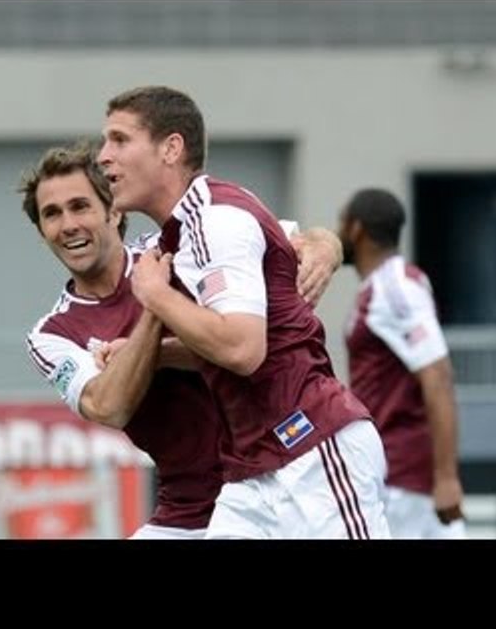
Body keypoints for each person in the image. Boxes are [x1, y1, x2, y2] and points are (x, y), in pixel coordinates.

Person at [96, 85, 390, 539]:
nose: (103, 156)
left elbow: (243, 348)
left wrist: (156, 297)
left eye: (119, 140)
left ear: (171, 148)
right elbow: (227, 339)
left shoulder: (214, 218)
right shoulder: (181, 232)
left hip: (310, 447)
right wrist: (155, 354)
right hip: (251, 470)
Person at [21, 141, 343, 538]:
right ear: (42, 233)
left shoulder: (173, 245)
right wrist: (157, 304)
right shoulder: (51, 333)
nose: (67, 224)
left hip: (275, 477)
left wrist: (326, 245)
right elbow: (109, 405)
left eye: (80, 206)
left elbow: (291, 238)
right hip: (188, 509)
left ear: (114, 210)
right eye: (51, 215)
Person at [337, 188, 464, 539]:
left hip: (403, 478)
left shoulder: (395, 289)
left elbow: (437, 375)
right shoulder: (384, 286)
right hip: (388, 474)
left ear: (356, 229)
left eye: (341, 222)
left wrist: (446, 478)